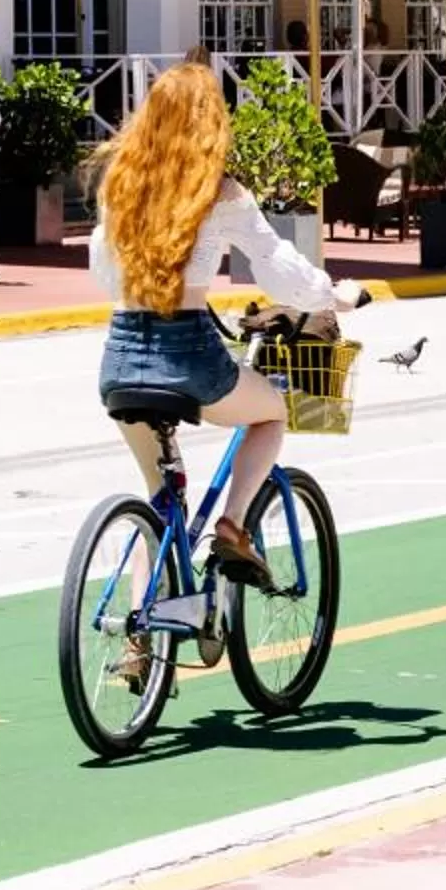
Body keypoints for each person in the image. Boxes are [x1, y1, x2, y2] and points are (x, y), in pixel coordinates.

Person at [90, 63, 353, 597]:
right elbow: (279, 268)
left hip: (120, 353)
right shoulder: (222, 193)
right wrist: (335, 296)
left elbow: (104, 271)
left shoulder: (120, 185)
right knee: (272, 411)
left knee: (160, 496)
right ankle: (233, 525)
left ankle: (142, 632)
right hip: (187, 352)